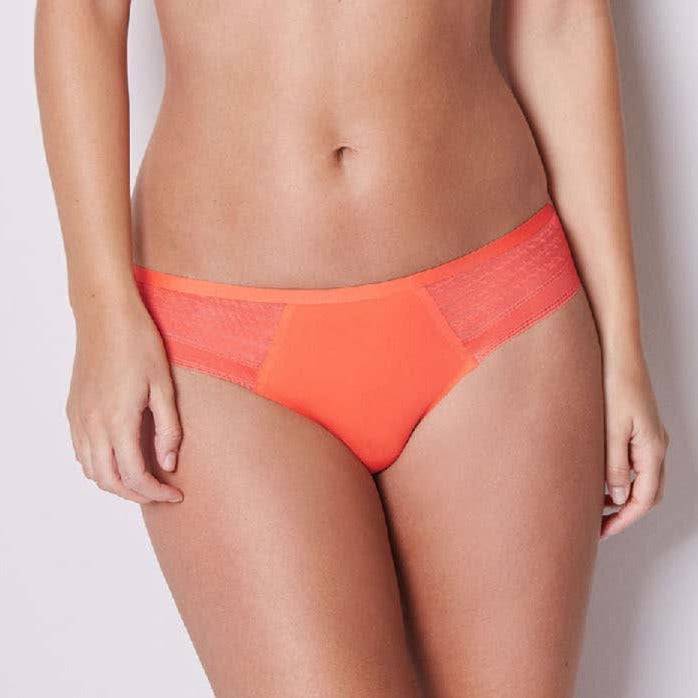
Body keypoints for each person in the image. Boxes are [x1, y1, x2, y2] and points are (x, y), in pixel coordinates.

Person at [35, 1, 668, 696]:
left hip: (497, 314)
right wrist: (102, 313)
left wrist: (622, 351)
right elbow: (82, 14)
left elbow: (561, 21)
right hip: (220, 352)